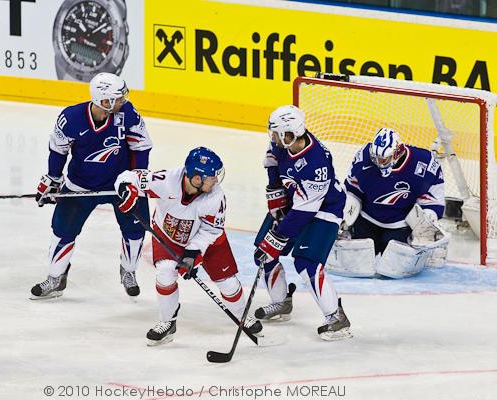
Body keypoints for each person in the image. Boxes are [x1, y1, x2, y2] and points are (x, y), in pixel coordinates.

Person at [114, 147, 263, 346]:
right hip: (169, 236)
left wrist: (193, 253)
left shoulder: (216, 197)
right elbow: (129, 177)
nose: (216, 181)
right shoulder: (167, 181)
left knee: (228, 283)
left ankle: (242, 315)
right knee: (165, 273)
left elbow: (211, 231)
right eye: (212, 177)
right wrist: (127, 190)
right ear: (197, 178)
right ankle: (167, 322)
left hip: (208, 239)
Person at [31, 73, 152, 300]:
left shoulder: (127, 113)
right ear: (104, 101)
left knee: (135, 229)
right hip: (80, 184)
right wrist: (53, 178)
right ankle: (56, 277)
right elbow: (58, 150)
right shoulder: (71, 118)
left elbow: (141, 146)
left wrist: (135, 180)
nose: (123, 101)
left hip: (121, 185)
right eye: (118, 98)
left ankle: (128, 270)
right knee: (63, 230)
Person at [253, 105, 352, 341]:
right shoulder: (282, 143)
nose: (273, 137)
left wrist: (279, 237)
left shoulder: (316, 162)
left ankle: (336, 318)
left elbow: (305, 211)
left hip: (325, 209)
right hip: (295, 201)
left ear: (289, 134)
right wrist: (275, 193)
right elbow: (272, 163)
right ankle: (281, 303)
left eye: (277, 133)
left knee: (307, 263)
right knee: (262, 253)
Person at [326, 127, 448, 279]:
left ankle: (429, 250)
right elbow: (352, 189)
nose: (378, 162)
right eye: (375, 158)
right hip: (367, 219)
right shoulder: (363, 157)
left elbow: (433, 198)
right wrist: (344, 218)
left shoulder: (424, 162)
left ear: (397, 153)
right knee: (354, 266)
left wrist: (427, 220)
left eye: (383, 159)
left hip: (400, 225)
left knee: (394, 269)